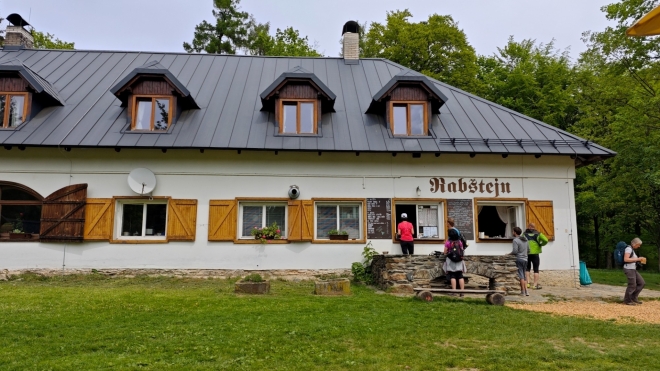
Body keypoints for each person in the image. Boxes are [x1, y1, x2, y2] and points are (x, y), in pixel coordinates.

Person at [523, 223, 548, 290]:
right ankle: (535, 285)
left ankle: (528, 283)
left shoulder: (524, 234)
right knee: (536, 269)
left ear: (528, 227)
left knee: (527, 269)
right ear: (534, 227)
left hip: (527, 253)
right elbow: (546, 240)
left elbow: (521, 241)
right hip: (535, 254)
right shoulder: (538, 234)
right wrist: (540, 244)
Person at [623, 237, 646, 305]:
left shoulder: (632, 250)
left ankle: (633, 297)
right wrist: (638, 259)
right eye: (638, 245)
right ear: (634, 244)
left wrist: (639, 260)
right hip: (629, 269)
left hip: (633, 269)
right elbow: (626, 259)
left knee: (642, 283)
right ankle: (627, 300)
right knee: (632, 284)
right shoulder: (628, 249)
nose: (639, 246)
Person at [444, 228, 466, 297]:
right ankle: (462, 292)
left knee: (452, 275)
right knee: (460, 275)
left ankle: (454, 291)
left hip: (451, 260)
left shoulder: (448, 242)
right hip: (459, 260)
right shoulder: (459, 242)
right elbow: (462, 250)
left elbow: (445, 252)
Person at [510, 227, 529, 296]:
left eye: (513, 231)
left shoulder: (515, 240)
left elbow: (515, 251)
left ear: (515, 232)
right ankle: (527, 291)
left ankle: (523, 291)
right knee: (524, 275)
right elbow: (528, 250)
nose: (512, 232)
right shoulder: (525, 239)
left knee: (521, 276)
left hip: (519, 259)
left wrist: (509, 254)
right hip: (525, 259)